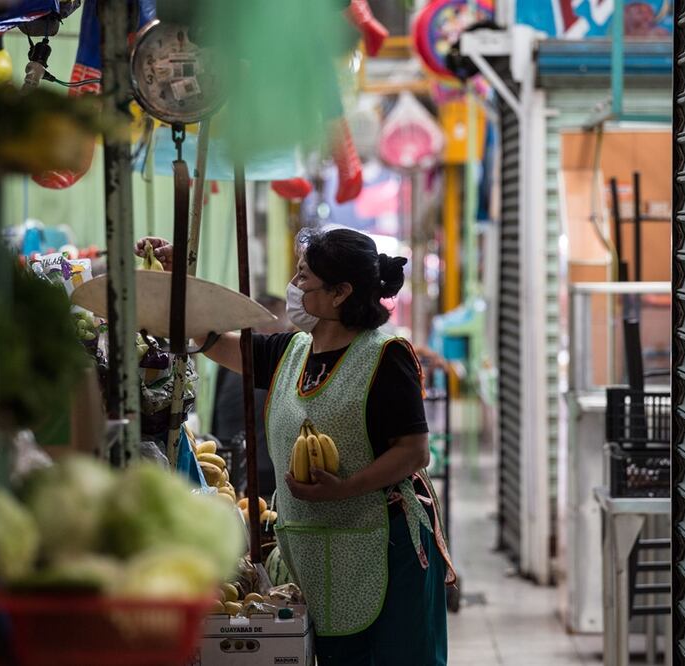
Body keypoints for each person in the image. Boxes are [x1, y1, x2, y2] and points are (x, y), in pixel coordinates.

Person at [137, 229, 455, 665]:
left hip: (388, 548)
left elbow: (415, 451)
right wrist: (178, 281)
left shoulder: (385, 355)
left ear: (341, 292)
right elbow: (214, 341)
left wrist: (345, 487)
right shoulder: (293, 351)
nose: (295, 285)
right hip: (321, 552)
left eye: (305, 277)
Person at [211, 294, 291, 498]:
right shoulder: (275, 361)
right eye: (282, 319)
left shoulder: (231, 361)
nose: (287, 326)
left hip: (239, 464)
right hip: (245, 464)